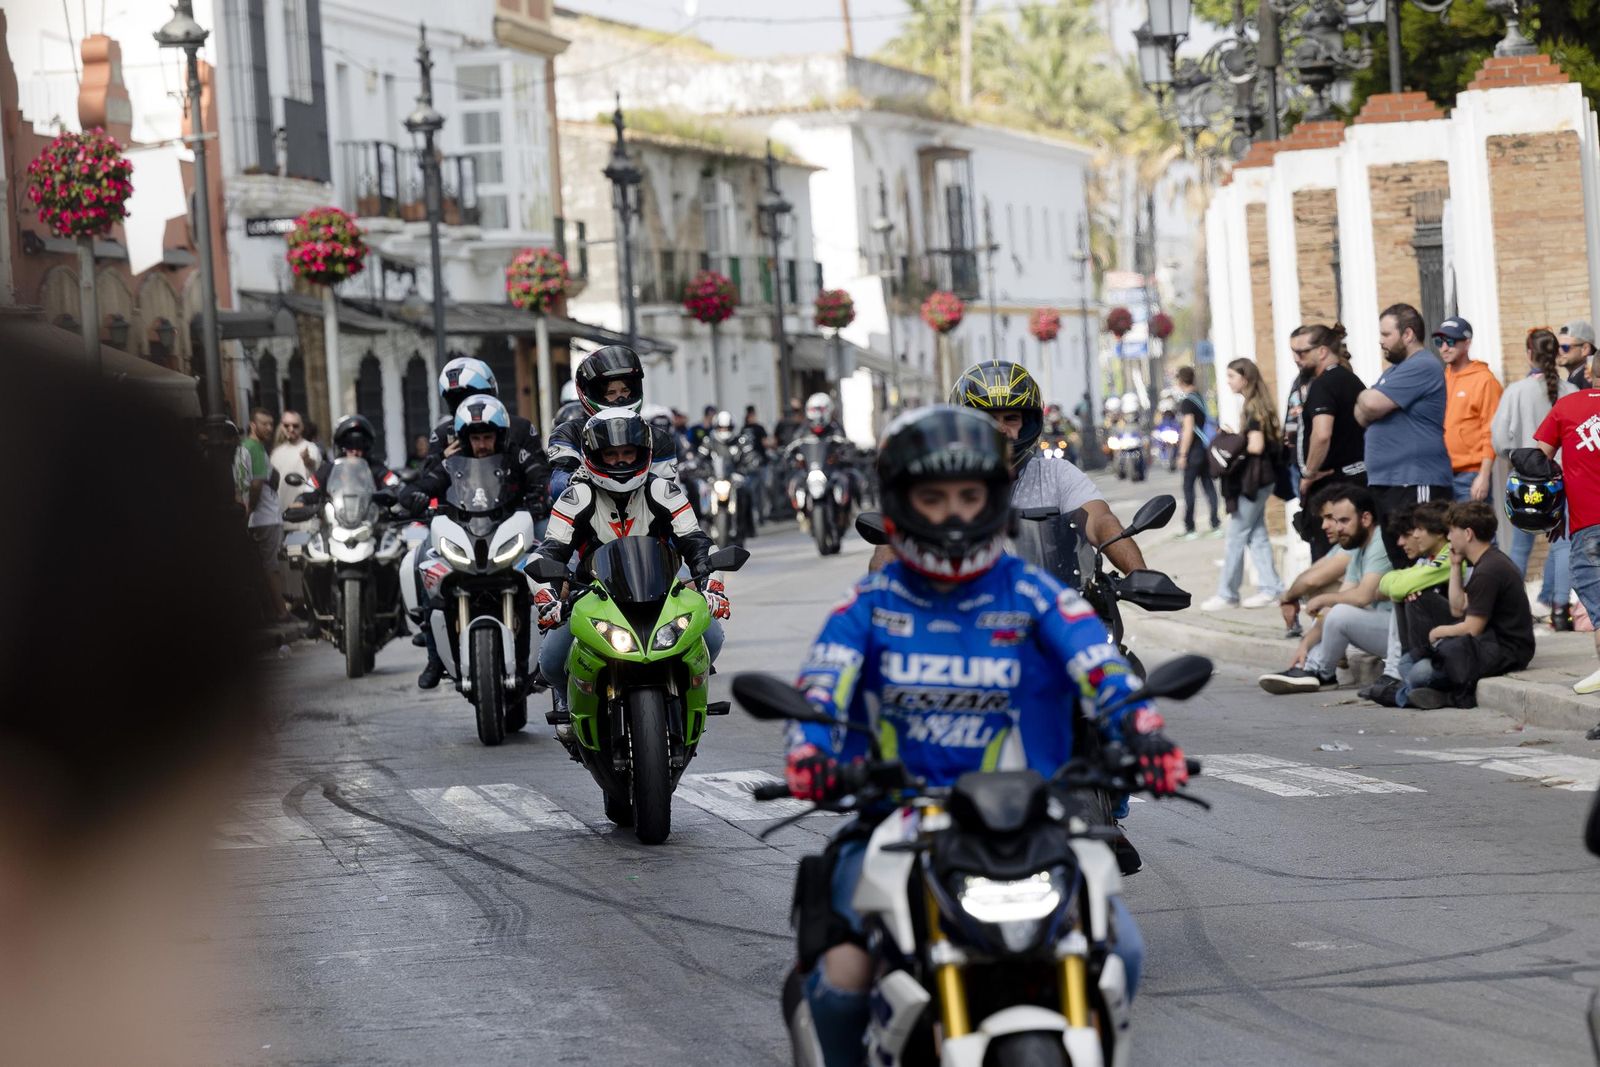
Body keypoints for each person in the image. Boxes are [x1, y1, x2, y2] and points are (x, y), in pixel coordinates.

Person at [783, 405, 1188, 1067]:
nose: (951, 513)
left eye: (969, 495)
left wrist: (1147, 737)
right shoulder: (869, 605)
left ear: (996, 500)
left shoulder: (1038, 595)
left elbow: (1103, 669)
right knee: (840, 980)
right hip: (900, 818)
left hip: (1038, 820)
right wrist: (809, 752)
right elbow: (823, 685)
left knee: (1125, 951)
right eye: (931, 496)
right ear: (902, 505)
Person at [532, 408, 727, 721]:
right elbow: (550, 552)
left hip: (662, 590)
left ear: (643, 453)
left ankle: (691, 703)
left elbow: (696, 541)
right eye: (611, 454)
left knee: (713, 637)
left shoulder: (664, 491)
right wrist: (548, 595)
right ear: (594, 455)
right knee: (552, 662)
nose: (620, 461)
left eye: (627, 452)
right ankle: (567, 704)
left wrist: (711, 583)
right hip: (593, 594)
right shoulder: (575, 497)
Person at [948, 360, 1147, 574]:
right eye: (988, 419)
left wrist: (1140, 574)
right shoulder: (943, 484)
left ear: (1028, 424)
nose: (1001, 429)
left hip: (1050, 599)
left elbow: (1100, 521)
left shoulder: (1056, 474)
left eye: (1011, 418)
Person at [410, 397, 548, 690]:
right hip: (468, 536)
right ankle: (436, 656)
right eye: (476, 438)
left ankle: (549, 655)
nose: (482, 443)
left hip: (506, 533)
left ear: (498, 436)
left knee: (546, 574)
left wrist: (540, 497)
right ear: (465, 439)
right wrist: (414, 496)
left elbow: (540, 475)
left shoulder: (515, 456)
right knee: (427, 569)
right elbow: (427, 483)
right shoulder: (451, 464)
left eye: (487, 436)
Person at [1258, 483, 1393, 693]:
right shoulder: (1357, 546)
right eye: (1335, 520)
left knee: (1338, 610)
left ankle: (1320, 672)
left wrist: (1324, 600)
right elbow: (1340, 598)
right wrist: (1306, 642)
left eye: (1344, 521)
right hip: (1383, 628)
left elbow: (1362, 596)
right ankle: (1308, 668)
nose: (1336, 528)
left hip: (1399, 633)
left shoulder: (1379, 542)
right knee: (1335, 609)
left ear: (1365, 519)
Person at [1398, 502, 1534, 709]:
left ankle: (1414, 695)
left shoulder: (1489, 570)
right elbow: (1457, 608)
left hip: (1505, 652)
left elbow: (1472, 627)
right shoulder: (1488, 562)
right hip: (1489, 646)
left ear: (1468, 534)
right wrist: (1454, 565)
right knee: (1408, 662)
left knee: (1417, 673)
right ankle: (1417, 694)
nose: (1449, 537)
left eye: (1452, 531)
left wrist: (1438, 631)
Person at [1357, 303, 1453, 568]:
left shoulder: (1423, 365)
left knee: (1422, 564)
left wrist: (1366, 398)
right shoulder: (1392, 372)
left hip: (1415, 480)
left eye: (1386, 334)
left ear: (1408, 334)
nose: (1381, 341)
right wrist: (1366, 400)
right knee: (1401, 565)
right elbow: (1361, 414)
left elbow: (1371, 405)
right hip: (1388, 482)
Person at [1493, 328, 1577, 629]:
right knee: (1563, 542)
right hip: (1563, 477)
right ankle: (1559, 608)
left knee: (1520, 544)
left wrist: (1515, 455)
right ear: (1556, 354)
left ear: (1529, 353)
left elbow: (1499, 438)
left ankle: (1511, 610)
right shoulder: (1570, 391)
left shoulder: (1515, 392)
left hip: (1526, 478)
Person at [1201, 359, 1284, 611]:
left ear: (1244, 378)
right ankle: (1272, 589)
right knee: (1256, 536)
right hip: (1262, 478)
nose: (1228, 381)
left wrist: (1233, 440)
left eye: (1231, 376)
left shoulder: (1253, 408)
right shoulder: (1258, 404)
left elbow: (1256, 445)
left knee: (1235, 535)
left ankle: (1227, 594)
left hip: (1254, 480)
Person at [1534, 379, 1600, 693]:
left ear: (1591, 372)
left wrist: (1553, 513)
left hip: (1590, 527)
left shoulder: (1568, 406)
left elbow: (1538, 464)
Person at [1360, 502, 1455, 707]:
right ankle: (1410, 687)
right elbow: (1387, 583)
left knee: (1415, 595)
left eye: (1418, 530)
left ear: (1439, 533)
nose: (1414, 537)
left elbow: (1395, 586)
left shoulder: (1450, 556)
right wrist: (1401, 587)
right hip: (1427, 650)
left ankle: (1401, 694)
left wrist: (1404, 588)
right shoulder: (1427, 560)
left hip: (1454, 651)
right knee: (1408, 668)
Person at [547, 346, 677, 494]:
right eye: (611, 392)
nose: (620, 399)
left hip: (641, 513)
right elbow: (558, 485)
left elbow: (666, 492)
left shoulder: (659, 438)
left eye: (625, 391)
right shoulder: (569, 433)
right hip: (588, 513)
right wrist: (574, 481)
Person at [1294, 324, 1367, 561]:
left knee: (1328, 562)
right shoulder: (1351, 380)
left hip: (1332, 488)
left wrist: (1309, 474)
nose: (1297, 359)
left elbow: (1322, 433)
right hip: (1357, 481)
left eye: (1302, 352)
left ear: (1322, 351)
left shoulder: (1323, 385)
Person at [1435, 317, 1503, 502]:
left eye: (1450, 341)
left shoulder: (1485, 381)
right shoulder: (1442, 378)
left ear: (1467, 343)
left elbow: (1491, 431)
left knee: (1475, 530)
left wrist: (1483, 475)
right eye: (1439, 342)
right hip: (1443, 473)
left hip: (1471, 476)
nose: (1444, 347)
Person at [242, 407, 290, 624]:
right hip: (265, 517)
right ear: (253, 425)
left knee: (262, 567)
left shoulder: (247, 448)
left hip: (258, 517)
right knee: (271, 567)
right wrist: (250, 508)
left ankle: (270, 612)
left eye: (271, 424)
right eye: (264, 424)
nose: (269, 428)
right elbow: (256, 483)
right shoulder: (255, 448)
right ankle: (281, 612)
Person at [1173, 365, 1221, 540]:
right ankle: (1215, 523)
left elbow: (1188, 428)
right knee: (1208, 486)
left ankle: (1190, 527)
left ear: (1180, 380)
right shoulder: (1199, 397)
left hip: (1193, 451)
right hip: (1205, 448)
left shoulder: (1186, 402)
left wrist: (1182, 454)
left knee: (1189, 488)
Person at [1559, 320, 1595, 390]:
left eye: (1565, 347)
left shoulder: (1589, 381)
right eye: (1557, 347)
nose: (1559, 351)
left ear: (1585, 349)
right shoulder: (1575, 377)